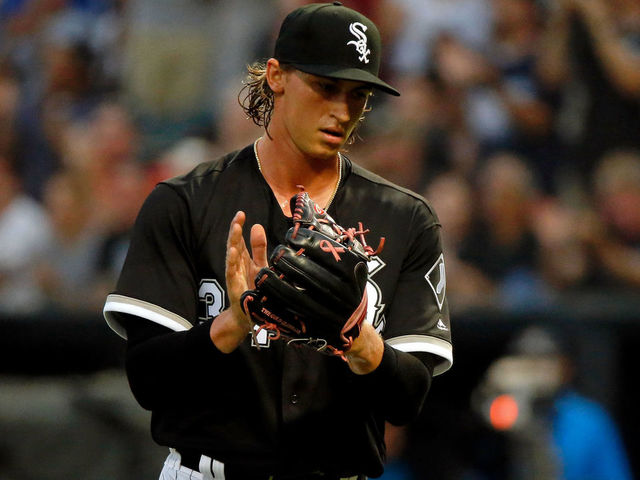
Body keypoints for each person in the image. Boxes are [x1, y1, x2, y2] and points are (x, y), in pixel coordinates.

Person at [103, 3, 453, 479]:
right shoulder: (185, 203)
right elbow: (147, 380)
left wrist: (357, 337)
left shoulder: (406, 219)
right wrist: (233, 324)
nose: (342, 111)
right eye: (326, 87)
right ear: (276, 76)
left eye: (358, 95)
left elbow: (408, 397)